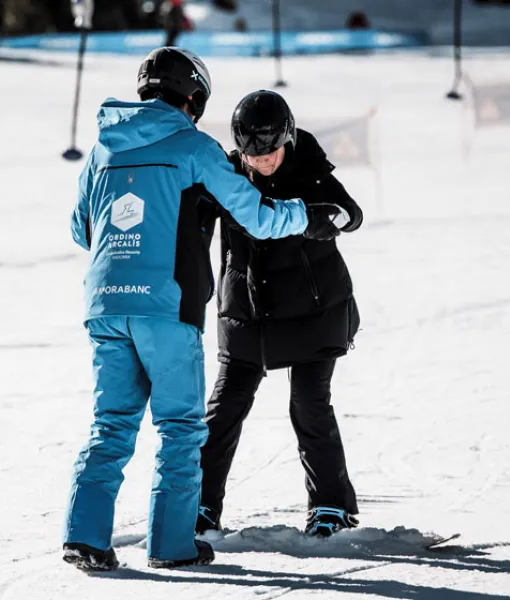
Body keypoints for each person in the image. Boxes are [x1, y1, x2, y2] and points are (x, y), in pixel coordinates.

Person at [62, 48, 339, 572]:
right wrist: (307, 213)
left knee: (111, 424)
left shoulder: (103, 149)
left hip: (104, 304)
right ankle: (171, 546)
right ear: (193, 97)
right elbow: (256, 214)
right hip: (165, 304)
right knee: (181, 427)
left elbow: (82, 229)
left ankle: (84, 536)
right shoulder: (194, 147)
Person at [195, 90, 364, 539]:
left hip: (314, 309)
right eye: (253, 153)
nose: (263, 160)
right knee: (224, 408)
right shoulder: (228, 175)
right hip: (247, 312)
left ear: (287, 137)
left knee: (309, 404)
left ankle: (331, 505)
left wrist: (325, 218)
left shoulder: (308, 165)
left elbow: (352, 213)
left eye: (270, 151)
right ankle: (198, 505)